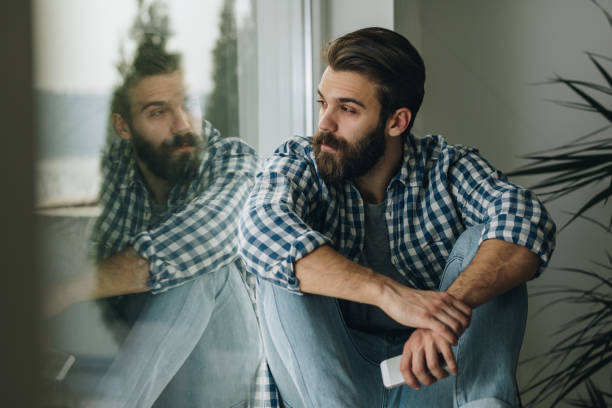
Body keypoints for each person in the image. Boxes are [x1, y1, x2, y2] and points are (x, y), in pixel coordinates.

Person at [238, 27, 556, 408]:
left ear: (396, 122)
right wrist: (390, 295)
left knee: (489, 244)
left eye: (347, 109)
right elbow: (259, 228)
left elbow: (527, 220)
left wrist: (443, 313)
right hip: (334, 383)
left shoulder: (448, 167)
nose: (325, 123)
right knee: (280, 263)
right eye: (323, 103)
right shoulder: (299, 161)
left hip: (430, 369)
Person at [47, 42, 264, 407]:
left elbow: (197, 243)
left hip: (225, 369)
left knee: (201, 266)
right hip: (153, 370)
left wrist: (66, 291)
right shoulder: (120, 173)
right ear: (124, 126)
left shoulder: (235, 161)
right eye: (158, 112)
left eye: (187, 104)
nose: (181, 124)